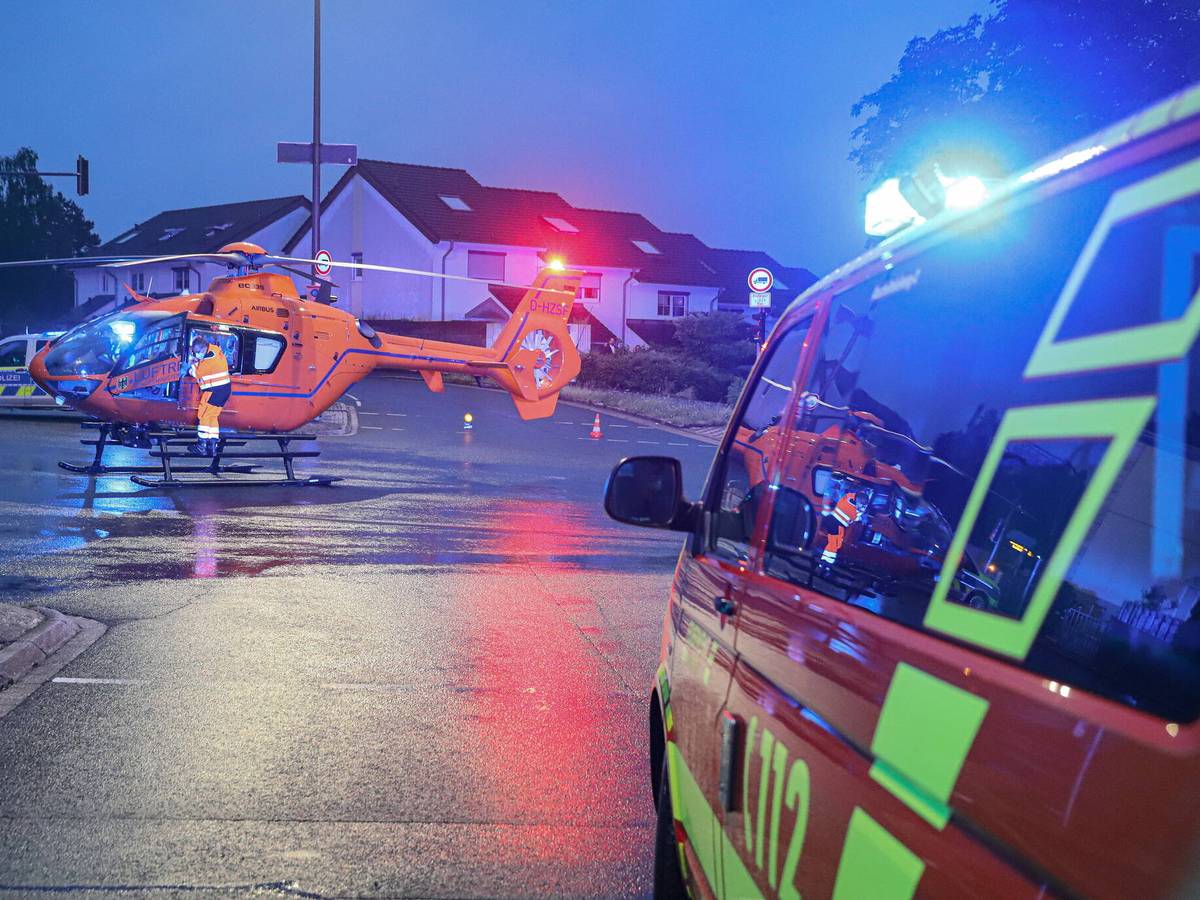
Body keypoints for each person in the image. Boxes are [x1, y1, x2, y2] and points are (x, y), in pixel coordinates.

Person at [186, 335, 231, 456]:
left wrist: (192, 364)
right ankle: (212, 446)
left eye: (198, 352)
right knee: (212, 416)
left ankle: (201, 446)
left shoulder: (208, 362)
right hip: (224, 391)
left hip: (214, 391)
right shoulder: (215, 350)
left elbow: (195, 373)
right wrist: (197, 360)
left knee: (204, 416)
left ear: (204, 348)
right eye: (194, 352)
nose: (197, 355)